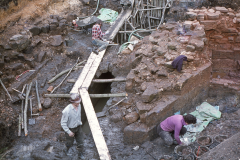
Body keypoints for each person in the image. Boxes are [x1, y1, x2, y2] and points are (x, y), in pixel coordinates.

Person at [61, 93, 84, 159]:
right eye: (77, 102)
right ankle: (65, 150)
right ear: (73, 102)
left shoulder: (79, 106)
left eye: (79, 101)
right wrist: (69, 132)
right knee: (69, 143)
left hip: (78, 127)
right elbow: (63, 123)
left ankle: (80, 154)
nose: (79, 103)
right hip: (70, 129)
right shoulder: (66, 111)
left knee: (80, 142)